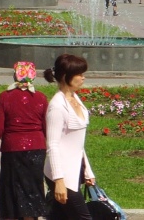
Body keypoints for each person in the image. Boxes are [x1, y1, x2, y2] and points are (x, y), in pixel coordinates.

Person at [0, 61, 48, 220]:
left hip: (12, 149)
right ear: (33, 76)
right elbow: (46, 126)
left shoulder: (5, 97)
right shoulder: (40, 97)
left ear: (15, 75)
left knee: (12, 189)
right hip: (37, 149)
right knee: (32, 188)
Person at [43, 54, 95, 220]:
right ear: (66, 76)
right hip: (62, 175)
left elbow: (78, 143)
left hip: (75, 171)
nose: (83, 78)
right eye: (79, 74)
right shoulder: (57, 107)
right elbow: (53, 145)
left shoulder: (75, 98)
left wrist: (87, 170)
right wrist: (59, 181)